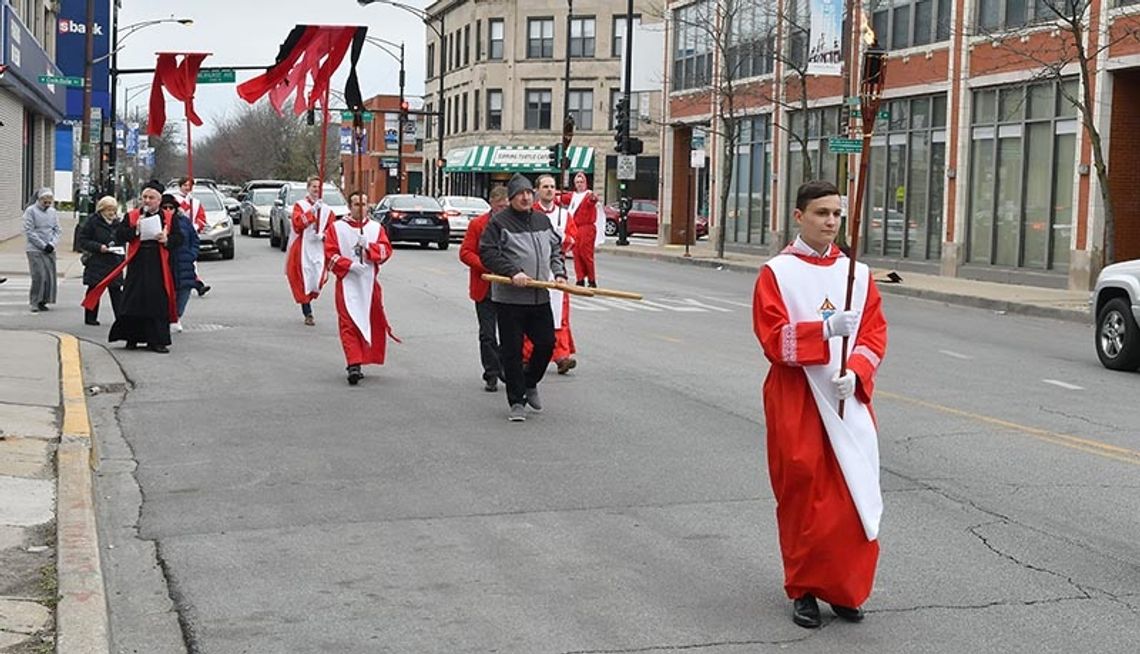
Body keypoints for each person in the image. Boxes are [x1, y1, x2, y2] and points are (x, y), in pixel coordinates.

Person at [752, 180, 888, 628]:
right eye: (820, 213)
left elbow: (873, 335)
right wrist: (824, 332)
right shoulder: (777, 273)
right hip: (797, 396)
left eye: (836, 214)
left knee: (852, 493)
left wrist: (858, 372)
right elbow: (773, 339)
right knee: (804, 494)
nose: (830, 222)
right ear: (799, 217)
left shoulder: (859, 274)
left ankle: (844, 588)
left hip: (845, 397)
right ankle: (805, 588)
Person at [479, 173, 568, 422]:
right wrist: (512, 271)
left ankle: (530, 382)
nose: (526, 197)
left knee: (546, 344)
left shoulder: (541, 220)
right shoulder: (499, 222)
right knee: (512, 351)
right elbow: (487, 252)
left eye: (529, 192)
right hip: (510, 300)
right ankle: (516, 401)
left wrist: (560, 274)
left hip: (539, 296)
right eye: (521, 194)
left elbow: (555, 250)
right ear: (512, 198)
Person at [83, 180, 182, 353]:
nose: (147, 200)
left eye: (151, 197)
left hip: (158, 263)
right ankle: (132, 337)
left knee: (156, 301)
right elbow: (121, 235)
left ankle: (156, 340)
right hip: (137, 262)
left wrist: (167, 240)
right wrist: (135, 230)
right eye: (145, 197)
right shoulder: (133, 215)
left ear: (159, 200)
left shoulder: (169, 217)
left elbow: (179, 239)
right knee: (133, 300)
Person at [324, 190, 397, 385]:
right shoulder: (337, 228)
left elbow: (386, 250)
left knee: (370, 320)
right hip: (348, 282)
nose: (361, 208)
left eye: (364, 204)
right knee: (348, 323)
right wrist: (349, 265)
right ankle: (353, 364)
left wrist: (370, 248)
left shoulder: (375, 228)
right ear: (350, 206)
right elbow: (329, 254)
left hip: (369, 284)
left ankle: (365, 355)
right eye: (357, 204)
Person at [460, 185, 508, 392]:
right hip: (485, 287)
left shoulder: (515, 224)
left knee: (509, 333)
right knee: (488, 334)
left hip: (509, 288)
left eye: (506, 206)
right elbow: (466, 252)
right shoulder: (478, 224)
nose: (503, 210)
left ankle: (506, 368)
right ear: (492, 205)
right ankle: (491, 373)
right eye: (499, 207)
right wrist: (486, 265)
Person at [533, 174, 577, 375]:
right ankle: (528, 355)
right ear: (538, 190)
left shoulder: (564, 215)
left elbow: (572, 241)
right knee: (532, 313)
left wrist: (564, 237)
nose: (550, 190)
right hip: (535, 269)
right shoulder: (531, 213)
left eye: (552, 186)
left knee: (560, 314)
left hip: (557, 270)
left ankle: (561, 355)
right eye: (545, 186)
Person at [287, 176, 334, 326]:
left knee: (317, 279)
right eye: (313, 186)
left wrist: (323, 235)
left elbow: (332, 230)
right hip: (303, 249)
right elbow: (297, 224)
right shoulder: (300, 205)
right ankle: (307, 312)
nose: (316, 190)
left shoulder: (327, 210)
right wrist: (312, 212)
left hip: (318, 248)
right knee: (304, 279)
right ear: (308, 188)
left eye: (318, 187)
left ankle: (310, 298)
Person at [79, 196, 125, 326]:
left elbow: (122, 239)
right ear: (102, 210)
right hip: (97, 261)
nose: (112, 213)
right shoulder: (93, 222)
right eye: (108, 210)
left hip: (114, 261)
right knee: (94, 289)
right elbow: (83, 240)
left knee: (116, 290)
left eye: (114, 210)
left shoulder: (118, 224)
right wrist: (99, 247)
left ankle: (120, 318)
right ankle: (90, 317)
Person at [561, 171, 604, 288]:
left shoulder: (588, 195)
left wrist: (594, 199)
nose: (579, 184)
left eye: (581, 182)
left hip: (587, 228)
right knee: (577, 254)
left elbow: (592, 200)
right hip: (576, 228)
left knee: (586, 254)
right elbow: (561, 198)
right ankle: (580, 278)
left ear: (585, 183)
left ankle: (591, 279)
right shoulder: (573, 196)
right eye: (577, 182)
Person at [166, 193, 200, 333]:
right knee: (169, 292)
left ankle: (177, 316)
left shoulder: (184, 221)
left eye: (171, 207)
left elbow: (195, 239)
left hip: (185, 262)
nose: (168, 210)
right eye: (165, 207)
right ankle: (168, 318)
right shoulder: (159, 221)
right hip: (168, 262)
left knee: (184, 290)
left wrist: (192, 254)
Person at [23, 188, 61, 313]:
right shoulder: (31, 211)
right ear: (39, 199)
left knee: (49, 276)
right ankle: (35, 301)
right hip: (35, 249)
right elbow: (29, 231)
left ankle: (44, 300)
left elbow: (57, 230)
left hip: (49, 248)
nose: (47, 202)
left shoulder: (53, 212)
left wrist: (52, 244)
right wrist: (42, 245)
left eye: (50, 199)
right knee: (39, 275)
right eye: (45, 199)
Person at [174, 177, 211, 297]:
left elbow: (201, 218)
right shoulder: (174, 200)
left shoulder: (196, 202)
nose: (187, 188)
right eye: (185, 185)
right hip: (178, 235)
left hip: (191, 235)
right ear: (180, 186)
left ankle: (197, 284)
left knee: (191, 261)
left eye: (189, 186)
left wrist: (195, 227)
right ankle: (197, 284)